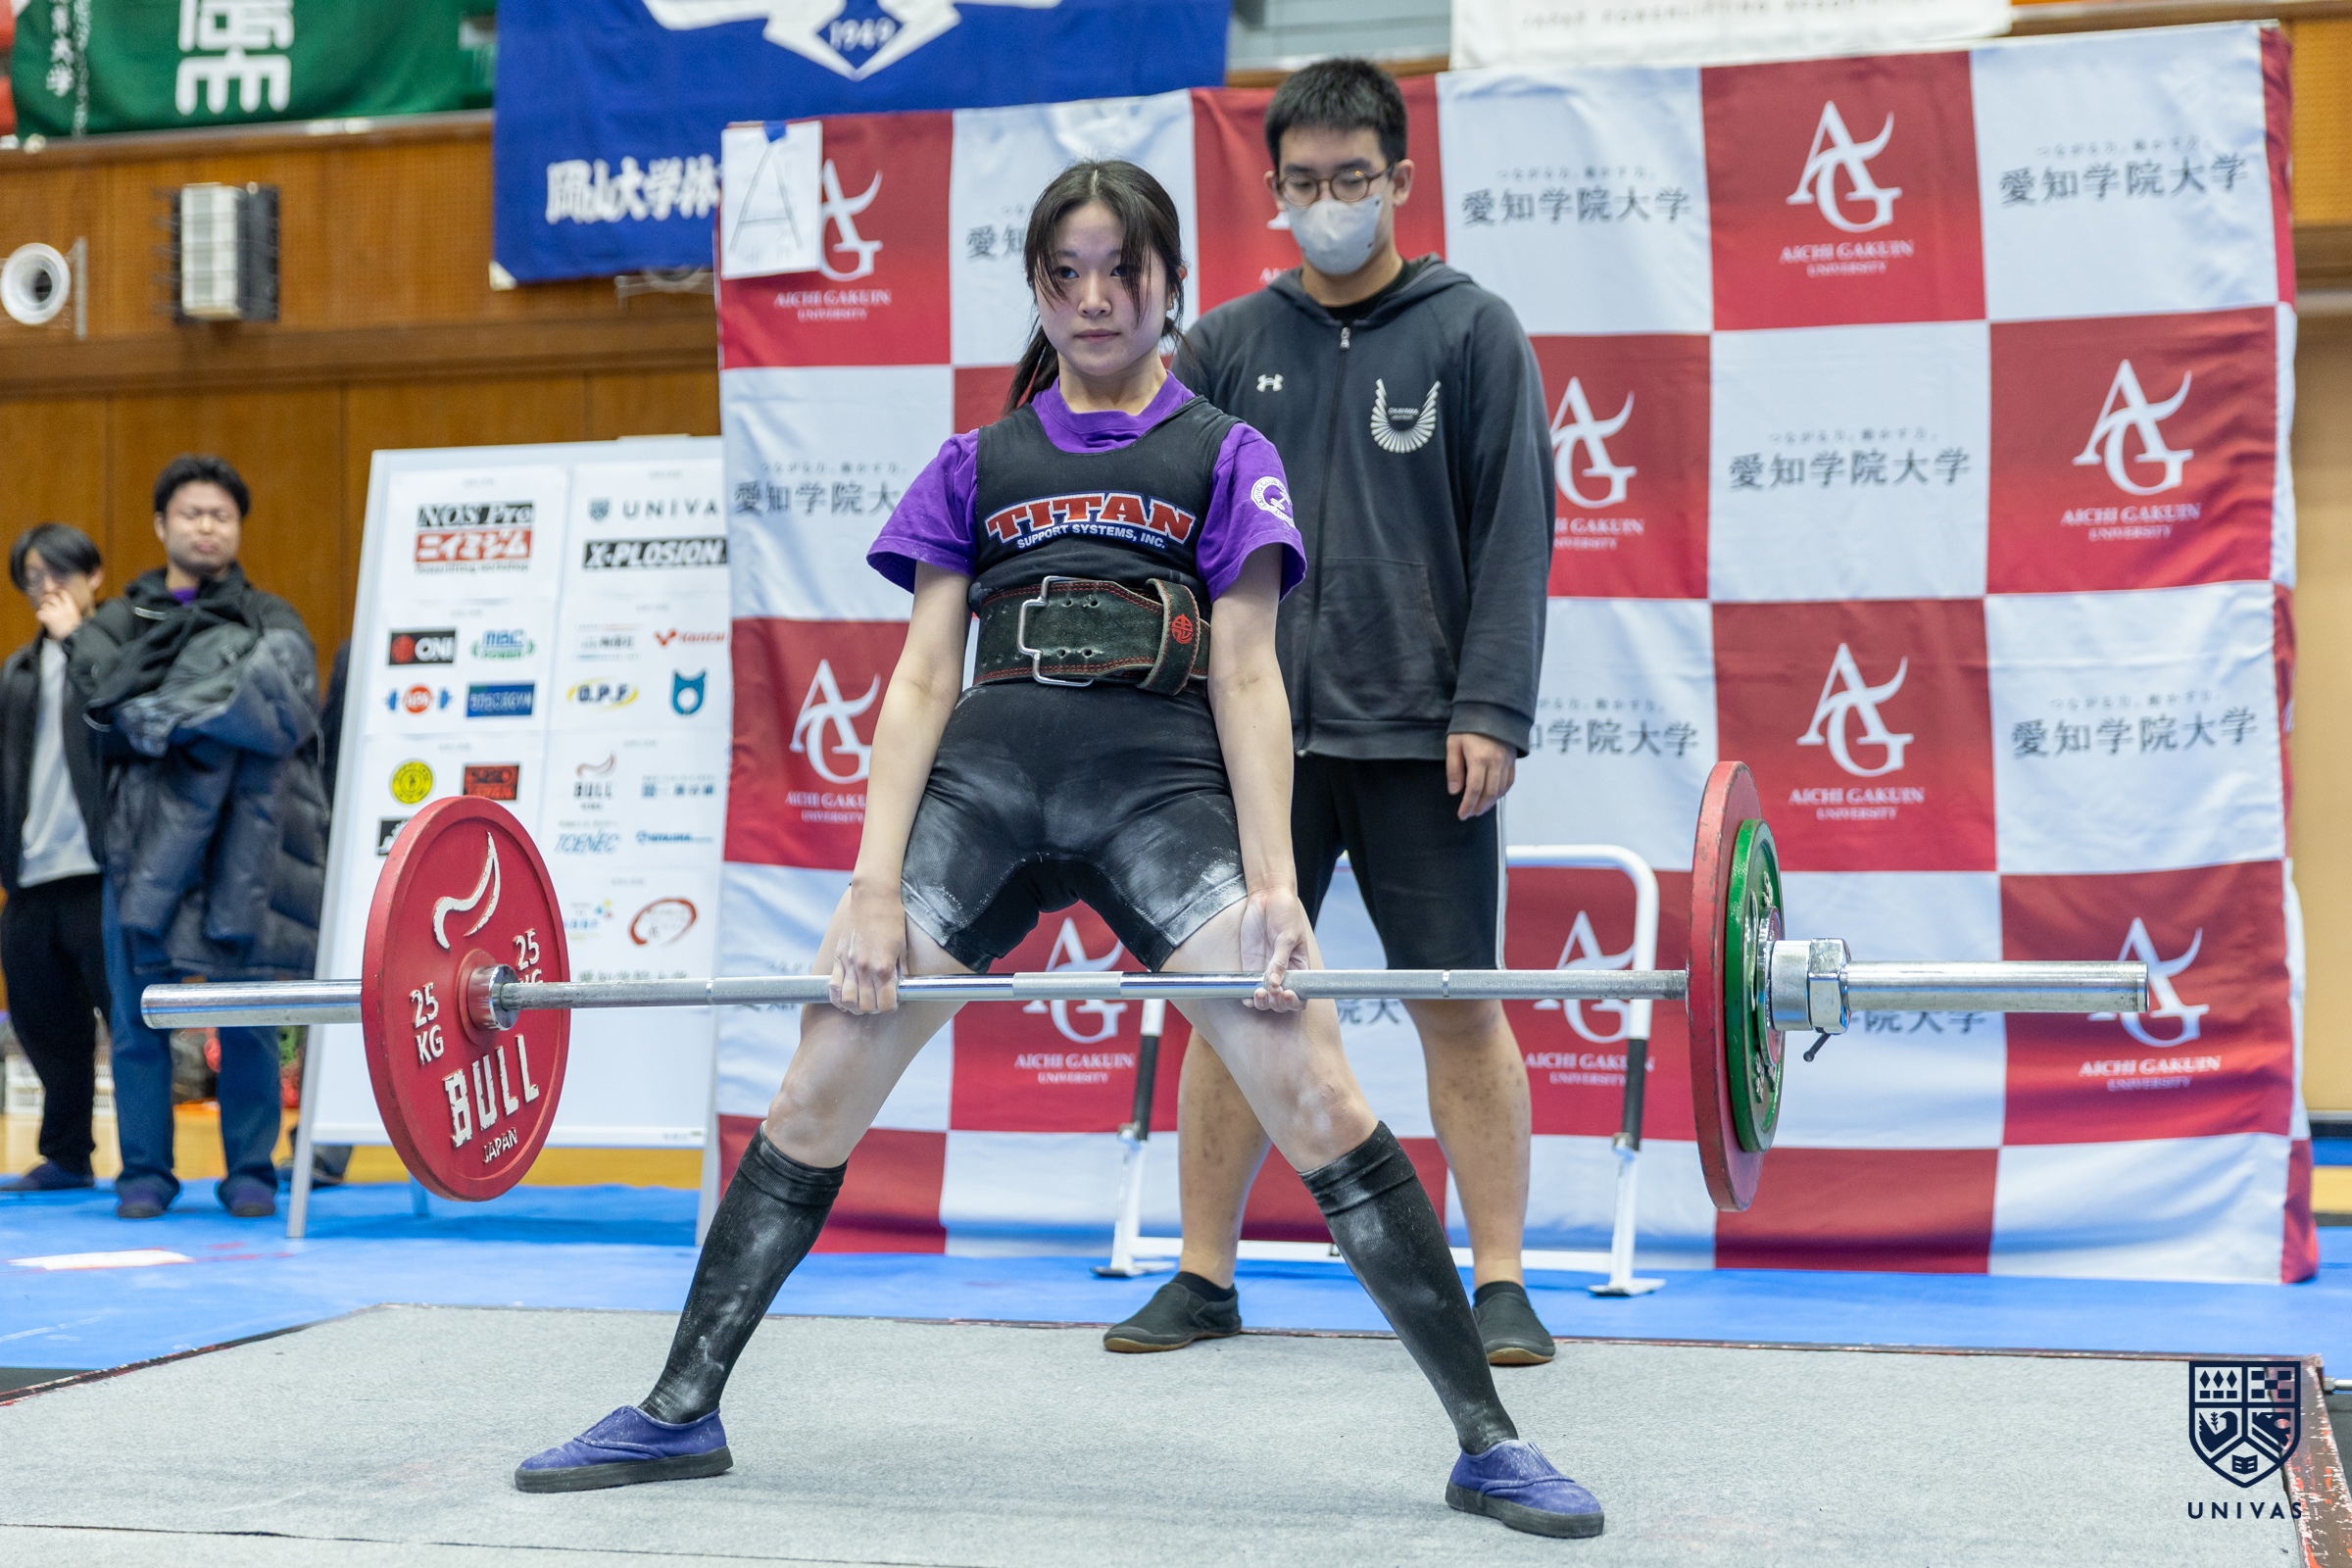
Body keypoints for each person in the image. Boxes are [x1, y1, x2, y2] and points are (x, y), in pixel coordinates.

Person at [514, 160, 1602, 1539]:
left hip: (1161, 801)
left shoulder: (1229, 455)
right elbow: (922, 679)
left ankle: (1488, 1443)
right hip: (983, 795)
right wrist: (869, 886)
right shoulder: (974, 464)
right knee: (818, 1077)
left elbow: (1248, 676)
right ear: (1036, 289)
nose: (1095, 298)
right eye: (1067, 274)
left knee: (1315, 1085)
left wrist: (1276, 886)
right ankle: (680, 1408)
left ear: (1169, 286)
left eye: (1121, 272)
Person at [1105, 60, 1559, 1367]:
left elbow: (1516, 535)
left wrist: (1492, 707)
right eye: (1302, 182)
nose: (1328, 202)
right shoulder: (1224, 346)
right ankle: (1203, 1274)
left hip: (1426, 740)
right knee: (1231, 1005)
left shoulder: (1475, 332)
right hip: (1253, 753)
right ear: (1273, 189)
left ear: (1400, 179)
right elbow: (1172, 544)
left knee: (1459, 1003)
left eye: (1351, 178)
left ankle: (1502, 1283)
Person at [79, 455, 328, 1221]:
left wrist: (170, 709)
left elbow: (284, 700)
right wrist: (216, 705)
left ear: (238, 527)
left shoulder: (270, 614)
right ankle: (144, 1174)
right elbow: (102, 703)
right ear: (162, 525)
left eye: (221, 514)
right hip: (140, 848)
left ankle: (250, 1170)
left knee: (247, 1014)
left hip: (243, 849)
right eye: (192, 513)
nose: (207, 527)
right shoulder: (122, 618)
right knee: (137, 1017)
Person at [0, 523, 112, 1193]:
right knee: (42, 1020)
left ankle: (148, 1163)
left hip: (101, 873)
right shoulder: (17, 671)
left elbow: (122, 713)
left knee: (125, 1020)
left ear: (93, 576)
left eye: (60, 572)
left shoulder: (115, 648)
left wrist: (78, 642)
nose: (47, 587)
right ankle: (67, 1155)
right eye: (33, 577)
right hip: (31, 875)